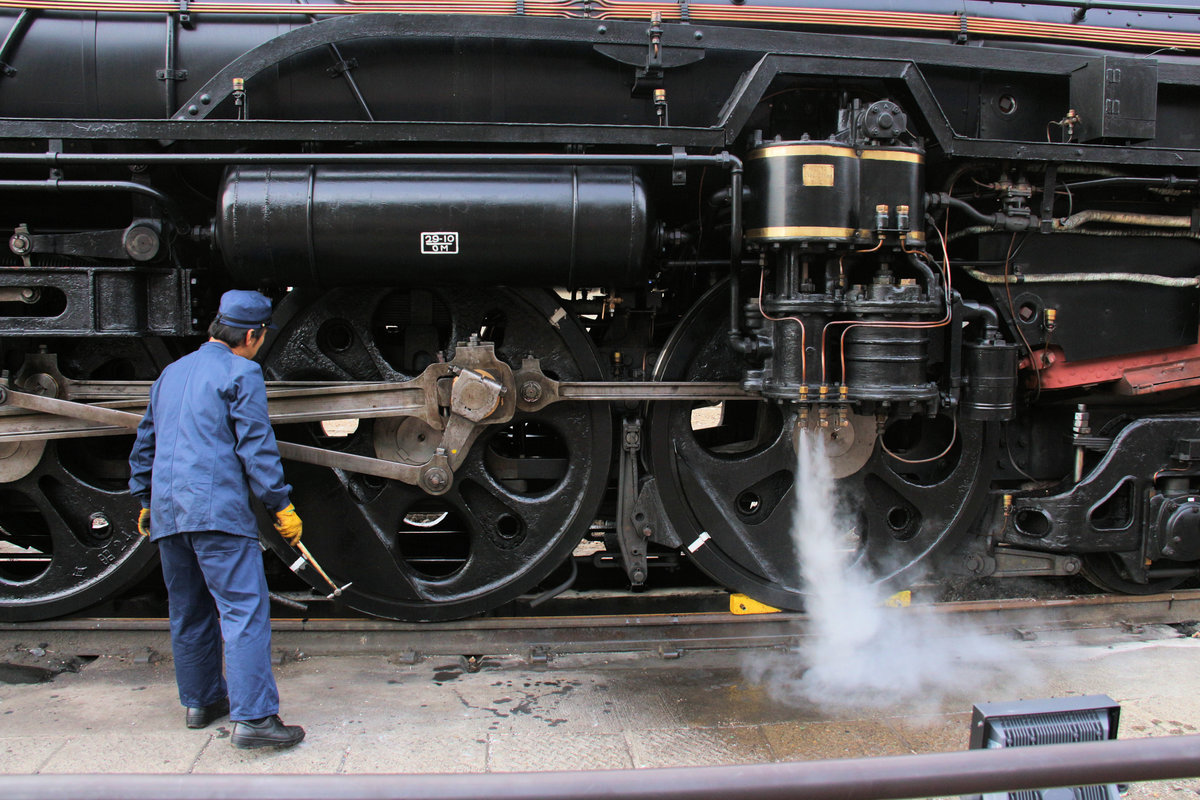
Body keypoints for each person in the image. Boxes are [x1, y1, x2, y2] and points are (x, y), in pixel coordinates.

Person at [128, 289, 306, 750]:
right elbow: (256, 446)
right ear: (251, 334)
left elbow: (145, 443)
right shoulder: (241, 372)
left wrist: (146, 500)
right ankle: (255, 720)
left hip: (169, 514)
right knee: (243, 612)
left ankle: (202, 703)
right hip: (217, 515)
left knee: (188, 612)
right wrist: (280, 505)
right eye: (261, 339)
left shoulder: (171, 373)